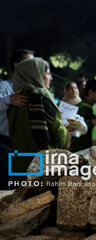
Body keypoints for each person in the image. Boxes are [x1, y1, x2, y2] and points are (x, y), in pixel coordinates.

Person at [7, 57, 67, 175]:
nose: (51, 78)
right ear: (37, 75)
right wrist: (67, 131)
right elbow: (57, 132)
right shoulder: (41, 96)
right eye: (48, 74)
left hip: (18, 163)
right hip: (40, 164)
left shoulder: (15, 99)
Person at [0, 49, 33, 189]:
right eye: (28, 62)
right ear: (16, 65)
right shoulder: (4, 86)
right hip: (4, 143)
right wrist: (9, 99)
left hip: (25, 145)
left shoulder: (34, 90)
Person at [70, 79, 96, 152]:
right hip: (79, 149)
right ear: (91, 92)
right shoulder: (83, 107)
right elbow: (72, 124)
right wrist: (92, 122)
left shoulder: (93, 107)